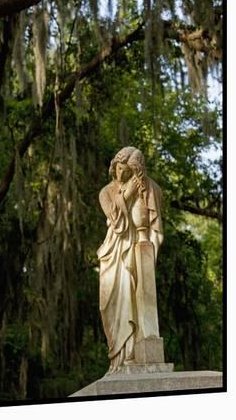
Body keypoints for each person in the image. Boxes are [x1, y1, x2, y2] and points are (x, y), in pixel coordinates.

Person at [97, 146, 163, 373]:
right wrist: (128, 193)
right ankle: (119, 355)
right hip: (114, 253)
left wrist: (139, 190)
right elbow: (114, 217)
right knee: (111, 304)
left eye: (126, 172)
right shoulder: (105, 192)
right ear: (114, 165)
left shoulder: (147, 187)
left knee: (135, 298)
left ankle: (134, 353)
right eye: (118, 169)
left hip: (136, 249)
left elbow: (153, 218)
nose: (120, 175)